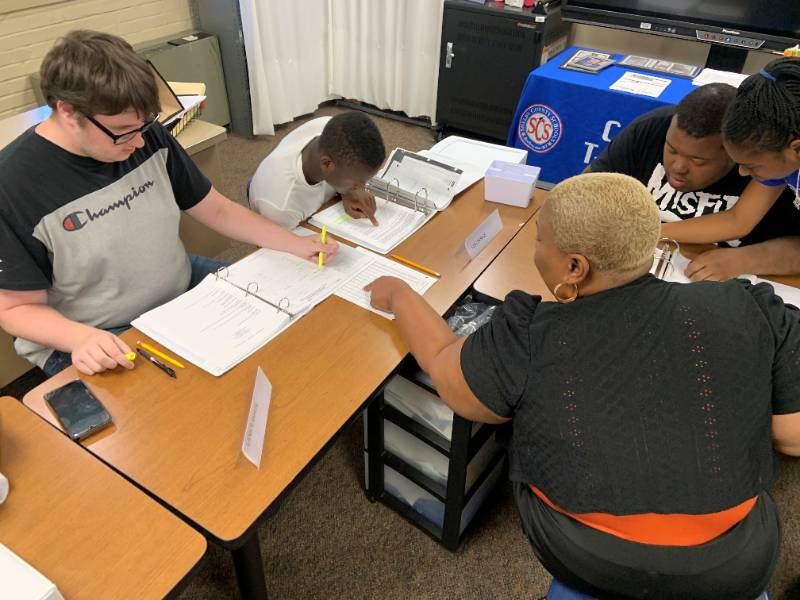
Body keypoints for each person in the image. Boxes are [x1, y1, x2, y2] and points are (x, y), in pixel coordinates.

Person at [365, 172, 800, 598]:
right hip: (734, 561)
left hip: (589, 555)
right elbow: (791, 436)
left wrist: (401, 295)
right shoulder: (751, 306)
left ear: (575, 267)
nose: (535, 247)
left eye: (538, 239)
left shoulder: (529, 333)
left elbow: (453, 381)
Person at [0, 30, 338, 377]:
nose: (138, 142)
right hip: (97, 330)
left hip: (179, 283)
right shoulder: (12, 186)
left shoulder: (143, 134)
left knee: (291, 326)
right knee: (182, 413)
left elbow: (215, 208)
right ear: (69, 112)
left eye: (145, 125)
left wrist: (293, 244)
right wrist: (80, 338)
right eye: (124, 131)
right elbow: (15, 308)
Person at [587, 82, 800, 281]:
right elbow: (582, 193)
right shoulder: (650, 129)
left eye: (699, 160)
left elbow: (739, 221)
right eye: (671, 149)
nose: (678, 167)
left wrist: (748, 259)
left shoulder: (769, 167)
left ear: (733, 152)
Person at [656, 57, 800, 281]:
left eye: (752, 165)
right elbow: (739, 219)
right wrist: (648, 233)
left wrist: (747, 259)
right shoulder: (781, 152)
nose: (742, 173)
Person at [248, 111, 386, 229]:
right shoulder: (281, 207)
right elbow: (283, 253)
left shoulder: (330, 129)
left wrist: (348, 192)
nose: (363, 188)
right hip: (282, 218)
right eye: (357, 183)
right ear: (327, 164)